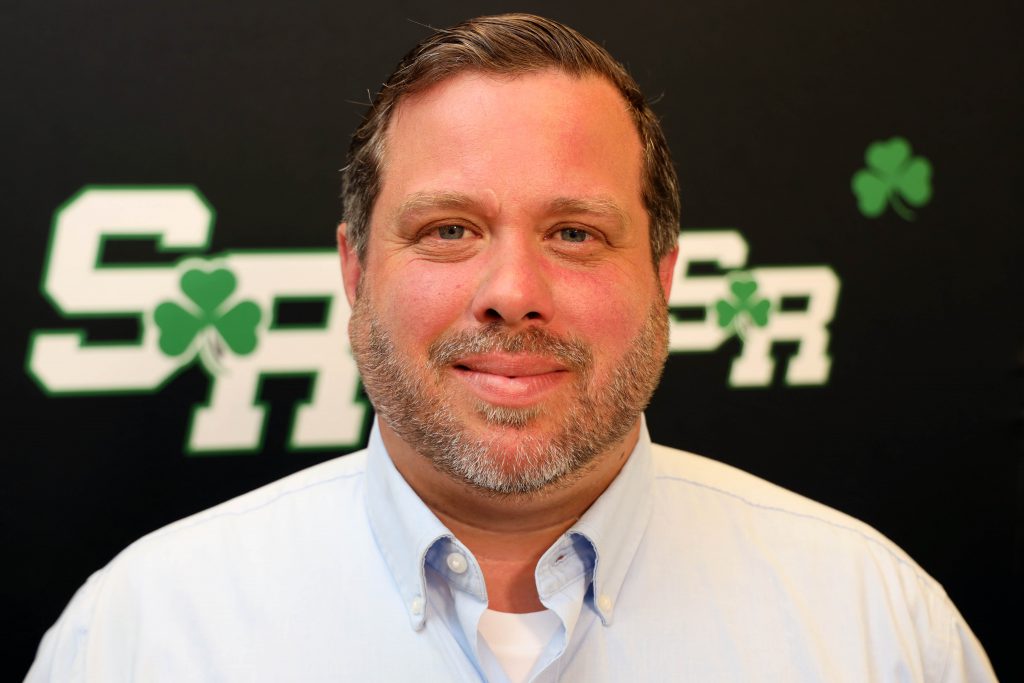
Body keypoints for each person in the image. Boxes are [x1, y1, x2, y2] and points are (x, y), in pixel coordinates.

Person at [27, 13, 996, 683]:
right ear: (356, 271)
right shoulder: (148, 628)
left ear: (660, 275)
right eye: (448, 228)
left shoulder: (870, 622)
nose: (511, 294)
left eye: (574, 232)